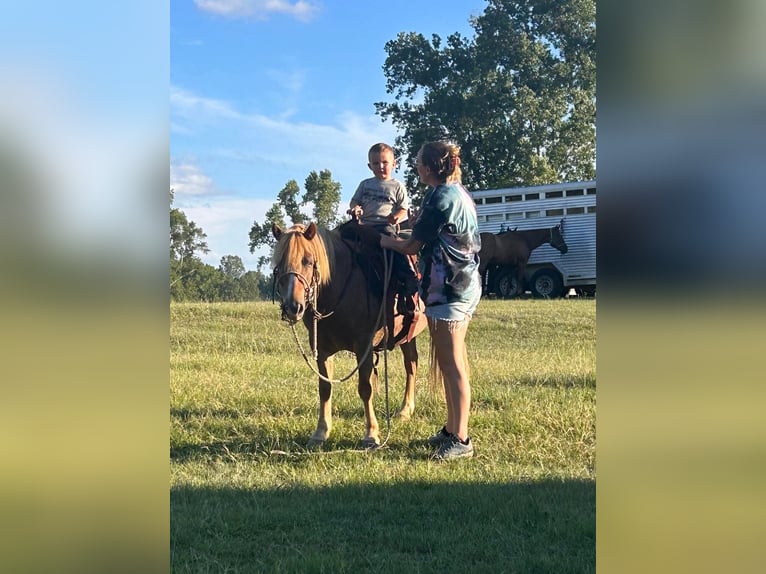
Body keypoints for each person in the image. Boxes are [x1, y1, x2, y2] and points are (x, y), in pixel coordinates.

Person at [379, 141, 481, 461]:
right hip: (461, 286)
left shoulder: (440, 197)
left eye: (419, 162)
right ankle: (452, 429)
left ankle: (461, 439)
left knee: (453, 368)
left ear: (428, 168)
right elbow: (424, 226)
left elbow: (411, 246)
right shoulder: (457, 192)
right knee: (453, 365)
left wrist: (385, 240)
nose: (416, 166)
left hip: (450, 291)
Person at [348, 143, 419, 314]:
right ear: (369, 166)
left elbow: (403, 208)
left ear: (394, 163)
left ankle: (408, 278)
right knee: (340, 236)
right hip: (363, 225)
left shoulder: (397, 186)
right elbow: (354, 201)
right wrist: (355, 208)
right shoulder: (364, 184)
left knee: (395, 249)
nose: (380, 166)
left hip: (384, 226)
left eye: (385, 162)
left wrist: (396, 217)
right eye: (375, 163)